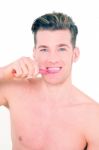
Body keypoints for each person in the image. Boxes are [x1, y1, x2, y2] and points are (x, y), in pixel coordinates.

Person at [0, 12, 99, 150]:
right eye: (44, 49)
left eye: (61, 49)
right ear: (34, 53)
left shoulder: (93, 117)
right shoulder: (15, 89)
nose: (52, 59)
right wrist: (4, 71)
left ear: (75, 54)